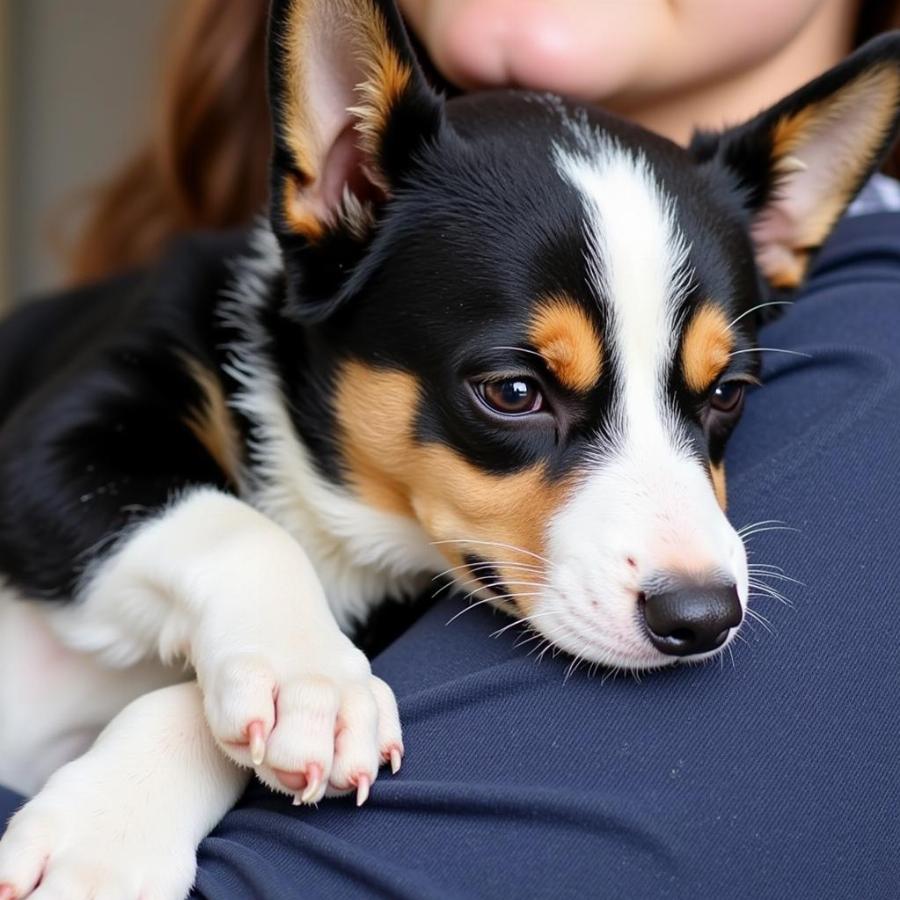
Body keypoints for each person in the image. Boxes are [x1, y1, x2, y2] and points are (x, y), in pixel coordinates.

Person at [3, 1, 899, 896]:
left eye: (719, 395)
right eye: (516, 391)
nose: (696, 567)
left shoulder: (864, 368)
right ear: (349, 184)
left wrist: (192, 743)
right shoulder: (175, 347)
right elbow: (52, 472)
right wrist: (250, 596)